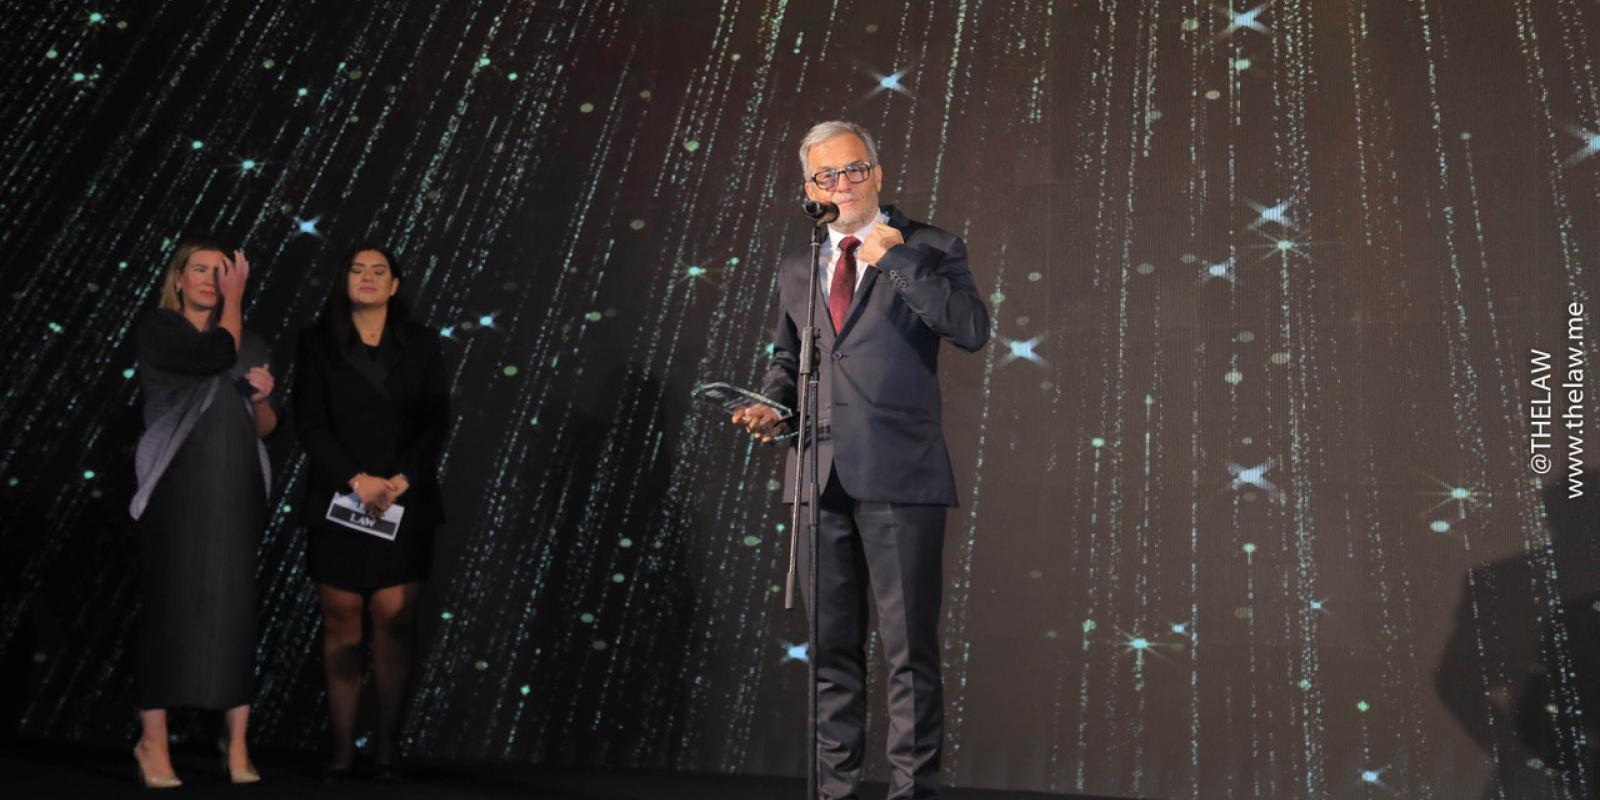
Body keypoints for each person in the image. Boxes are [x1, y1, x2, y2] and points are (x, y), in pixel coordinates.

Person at [731, 121, 990, 799]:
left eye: (853, 170)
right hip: (818, 474)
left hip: (902, 473)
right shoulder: (797, 265)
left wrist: (893, 259)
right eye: (826, 176)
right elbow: (791, 360)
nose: (842, 185)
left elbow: (970, 330)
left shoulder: (930, 246)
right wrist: (773, 405)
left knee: (909, 655)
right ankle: (835, 792)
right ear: (808, 187)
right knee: (831, 653)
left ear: (877, 171)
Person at [292, 244, 449, 781]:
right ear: (344, 280)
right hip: (340, 499)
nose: (367, 277)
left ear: (394, 285)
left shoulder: (423, 344)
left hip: (405, 501)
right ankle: (341, 746)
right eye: (356, 269)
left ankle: (387, 744)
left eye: (378, 271)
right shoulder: (314, 343)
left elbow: (437, 420)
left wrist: (399, 481)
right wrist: (357, 481)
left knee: (396, 622)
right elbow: (309, 421)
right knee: (341, 625)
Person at [130, 239, 277, 788]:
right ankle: (153, 743)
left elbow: (268, 429)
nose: (212, 280)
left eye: (222, 272)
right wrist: (235, 301)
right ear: (179, 277)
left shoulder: (253, 341)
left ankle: (236, 745)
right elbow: (214, 354)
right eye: (200, 269)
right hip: (176, 484)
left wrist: (262, 399)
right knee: (170, 606)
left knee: (235, 609)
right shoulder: (160, 328)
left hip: (236, 486)